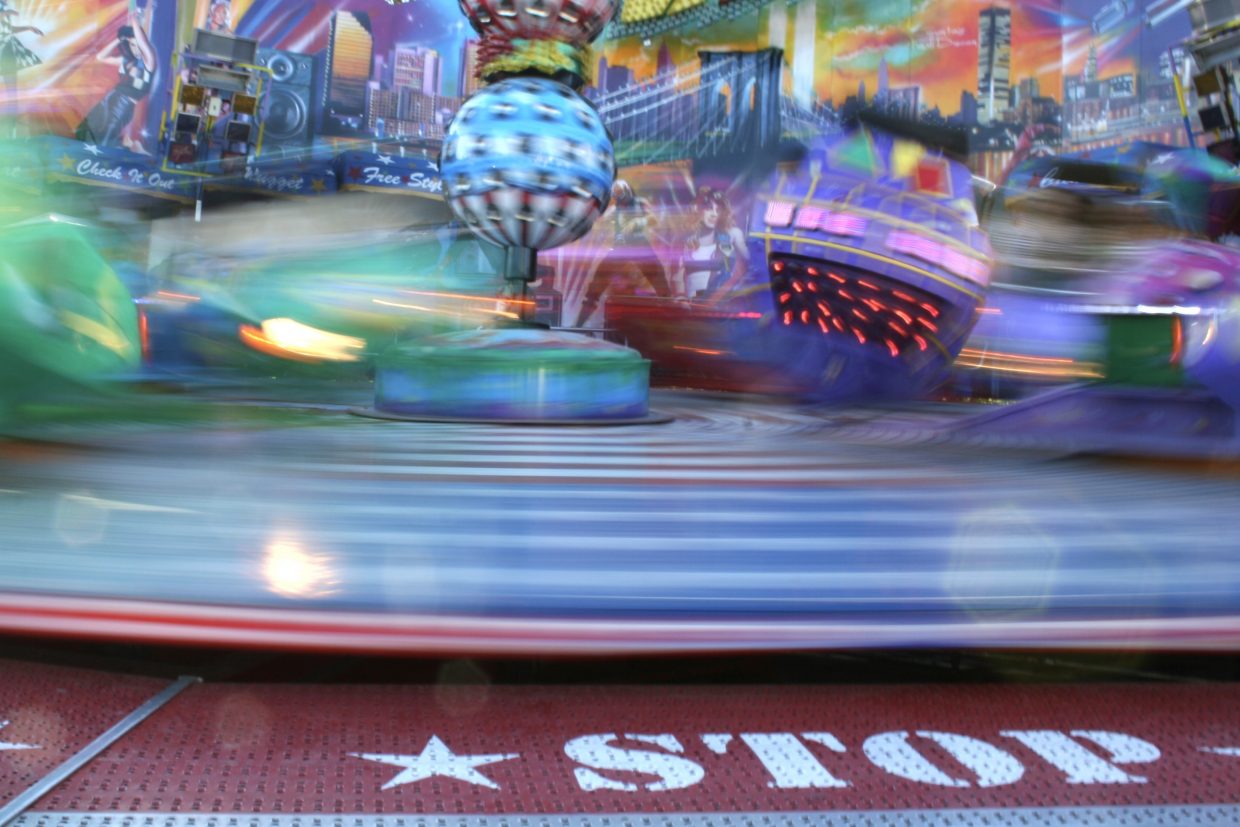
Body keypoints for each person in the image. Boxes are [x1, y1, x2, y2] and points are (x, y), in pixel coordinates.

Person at [573, 180, 672, 327]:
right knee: (597, 283)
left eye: (622, 195)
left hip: (640, 247)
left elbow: (654, 219)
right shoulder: (615, 209)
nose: (621, 199)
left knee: (660, 281)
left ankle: (670, 320)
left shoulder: (640, 203)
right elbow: (601, 221)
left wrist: (637, 222)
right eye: (617, 196)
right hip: (620, 248)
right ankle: (579, 324)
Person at [75, 7, 157, 149]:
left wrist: (134, 20)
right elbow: (100, 57)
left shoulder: (149, 63)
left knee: (103, 142)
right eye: (132, 45)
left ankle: (129, 145)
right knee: (86, 130)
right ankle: (127, 144)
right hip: (109, 99)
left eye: (137, 45)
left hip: (123, 106)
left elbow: (143, 43)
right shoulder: (126, 61)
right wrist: (119, 40)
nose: (135, 49)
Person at [673, 186, 749, 301]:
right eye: (709, 208)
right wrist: (681, 297)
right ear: (698, 209)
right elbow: (677, 277)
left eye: (718, 210)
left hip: (717, 305)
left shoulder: (725, 240)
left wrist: (737, 238)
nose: (714, 214)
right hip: (691, 306)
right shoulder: (686, 241)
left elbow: (737, 268)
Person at [0, 0, 43, 121]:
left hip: (8, 50)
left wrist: (28, 28)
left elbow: (7, 29)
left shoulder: (3, 6)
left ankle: (12, 120)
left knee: (12, 91)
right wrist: (5, 13)